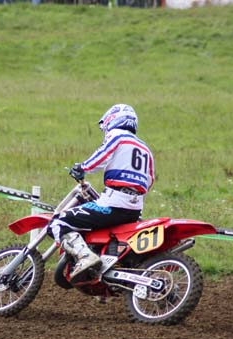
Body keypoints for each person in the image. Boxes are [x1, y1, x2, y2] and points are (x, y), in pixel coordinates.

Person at [48, 104, 155, 280]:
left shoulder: (117, 136)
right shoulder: (145, 148)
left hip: (114, 203)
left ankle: (84, 256)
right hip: (135, 209)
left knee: (58, 222)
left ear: (113, 120)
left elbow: (103, 154)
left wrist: (82, 167)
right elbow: (149, 180)